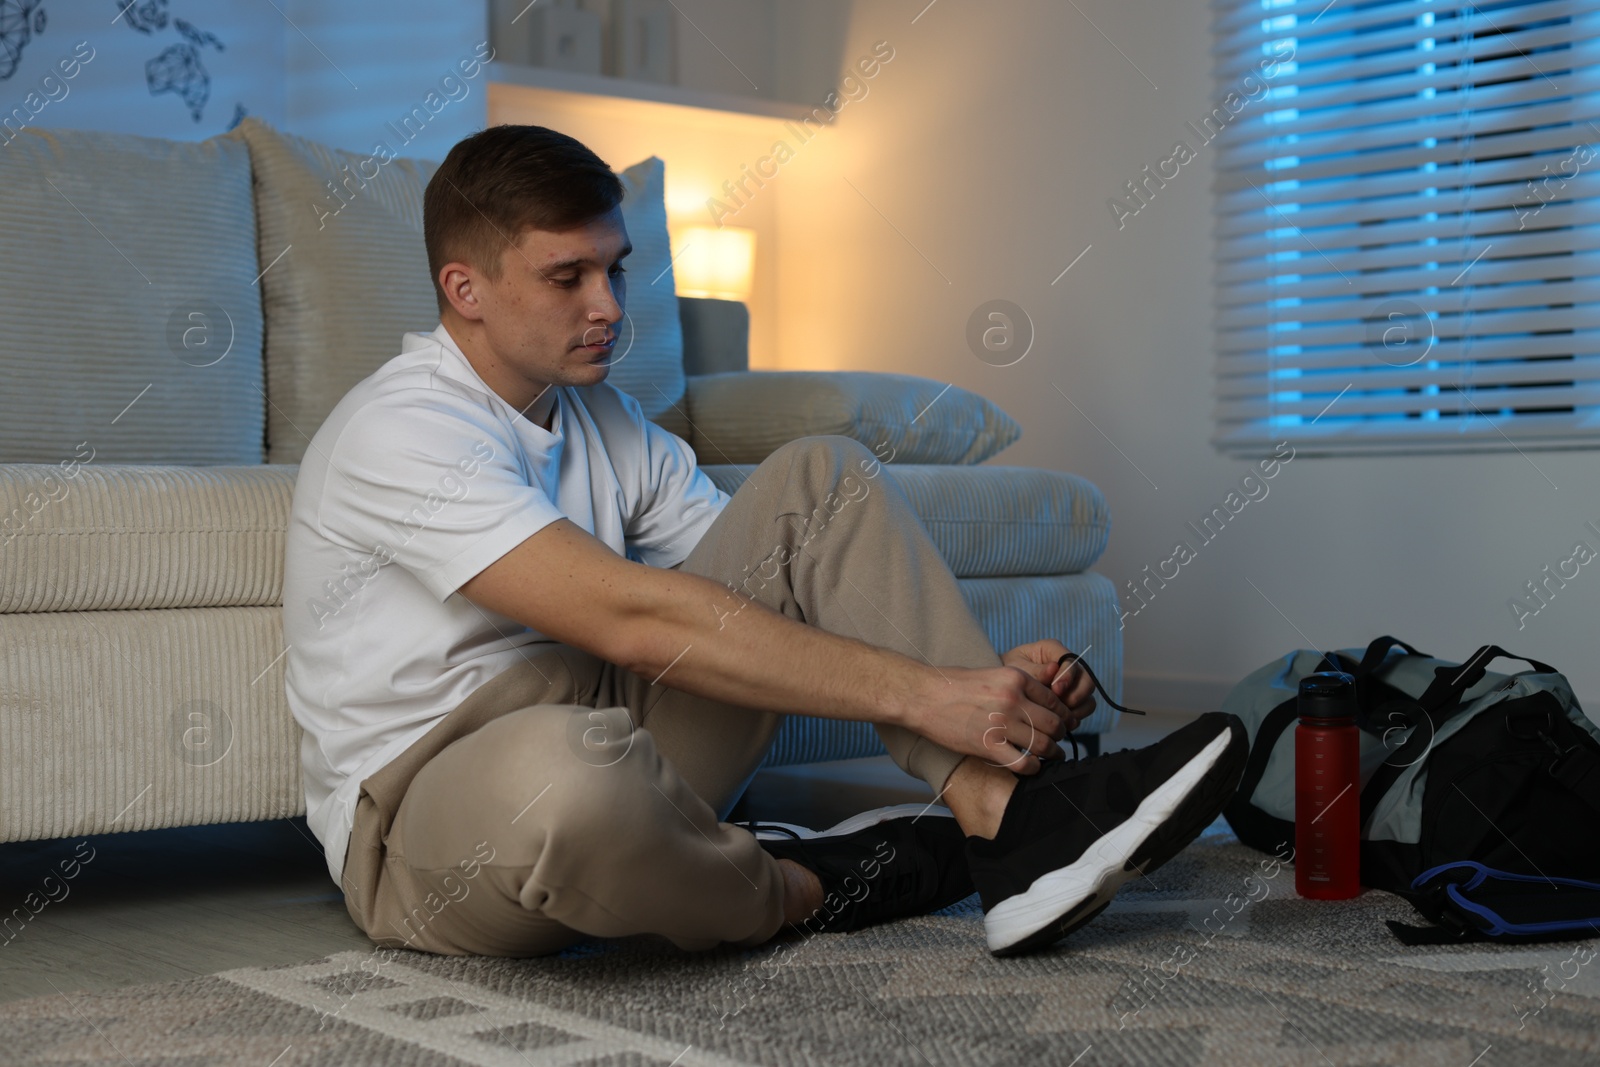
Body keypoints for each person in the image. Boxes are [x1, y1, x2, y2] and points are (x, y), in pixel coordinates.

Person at [282, 124, 1247, 961]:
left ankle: (1007, 813)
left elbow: (774, 597)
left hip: (619, 725)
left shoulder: (607, 422)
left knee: (818, 478)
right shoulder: (399, 431)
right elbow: (631, 617)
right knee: (571, 779)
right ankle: (802, 882)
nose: (612, 305)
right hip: (433, 813)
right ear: (466, 288)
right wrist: (930, 692)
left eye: (614, 268)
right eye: (566, 276)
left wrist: (986, 686)